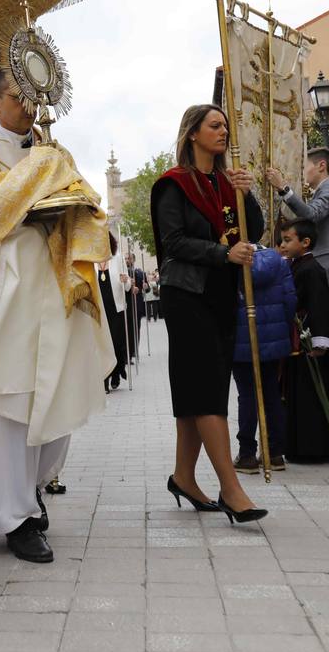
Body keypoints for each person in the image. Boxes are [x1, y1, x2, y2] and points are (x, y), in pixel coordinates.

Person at [0, 67, 114, 563]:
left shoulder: (52, 152)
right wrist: (30, 193)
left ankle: (32, 489)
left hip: (51, 286)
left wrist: (77, 212)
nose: (30, 106)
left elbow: (86, 205)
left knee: (50, 392)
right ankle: (16, 516)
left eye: (37, 97)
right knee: (7, 397)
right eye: (20, 96)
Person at [151, 103, 267, 523]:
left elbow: (253, 232)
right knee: (207, 393)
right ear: (193, 133)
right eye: (214, 125)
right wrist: (223, 253)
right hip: (187, 296)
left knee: (197, 394)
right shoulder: (174, 185)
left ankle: (184, 476)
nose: (223, 132)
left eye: (225, 126)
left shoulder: (226, 182)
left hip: (221, 295)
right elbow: (174, 241)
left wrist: (247, 192)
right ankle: (231, 490)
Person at [266, 148, 329, 442]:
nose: (304, 173)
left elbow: (311, 214)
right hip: (322, 275)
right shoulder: (325, 190)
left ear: (320, 166)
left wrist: (284, 188)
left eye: (306, 167)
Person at [277, 219, 329, 463]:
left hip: (308, 341)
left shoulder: (312, 269)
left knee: (313, 394)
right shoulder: (295, 266)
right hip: (297, 340)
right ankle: (298, 446)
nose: (282, 245)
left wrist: (319, 342)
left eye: (287, 240)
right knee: (299, 394)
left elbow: (319, 306)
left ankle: (315, 447)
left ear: (305, 242)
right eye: (281, 240)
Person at [231, 245, 294, 473]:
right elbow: (289, 299)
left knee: (247, 396)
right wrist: (282, 331)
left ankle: (247, 453)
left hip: (240, 338)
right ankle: (275, 452)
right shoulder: (277, 261)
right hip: (273, 338)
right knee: (271, 394)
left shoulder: (232, 259)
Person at [98, 234, 128, 392]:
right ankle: (105, 379)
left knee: (116, 343)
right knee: (102, 345)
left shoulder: (117, 257)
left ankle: (116, 373)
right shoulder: (93, 258)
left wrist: (126, 281)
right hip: (100, 311)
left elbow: (128, 285)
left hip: (116, 309)